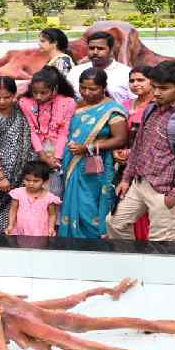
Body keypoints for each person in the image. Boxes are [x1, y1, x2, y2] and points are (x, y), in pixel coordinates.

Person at [108, 60, 175, 242]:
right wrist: (127, 178)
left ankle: (152, 270)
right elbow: (138, 146)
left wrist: (174, 196)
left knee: (160, 244)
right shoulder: (151, 109)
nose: (157, 93)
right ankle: (133, 265)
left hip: (166, 191)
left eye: (164, 88)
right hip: (140, 182)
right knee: (115, 223)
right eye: (155, 87)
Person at [59, 68, 128, 239]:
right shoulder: (77, 105)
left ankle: (94, 244)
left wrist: (88, 147)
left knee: (90, 205)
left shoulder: (112, 109)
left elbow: (120, 139)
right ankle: (72, 243)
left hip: (97, 167)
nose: (86, 93)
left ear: (103, 87)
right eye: (83, 88)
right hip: (72, 164)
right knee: (73, 201)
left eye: (93, 89)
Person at [0, 76, 35, 235]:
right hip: (2, 174)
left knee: (24, 211)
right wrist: (0, 176)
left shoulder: (19, 108)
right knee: (0, 215)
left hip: (24, 173)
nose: (2, 101)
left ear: (14, 95)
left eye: (7, 97)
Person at [18, 66, 76, 199]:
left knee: (56, 191)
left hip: (58, 152)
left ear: (54, 89)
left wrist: (57, 157)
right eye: (35, 92)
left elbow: (64, 131)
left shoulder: (68, 102)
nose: (38, 96)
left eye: (43, 92)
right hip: (33, 150)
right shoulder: (24, 102)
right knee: (32, 188)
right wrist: (42, 154)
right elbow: (30, 130)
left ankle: (54, 218)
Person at [67, 31, 133, 106]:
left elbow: (135, 101)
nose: (95, 52)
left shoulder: (126, 73)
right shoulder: (75, 71)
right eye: (91, 48)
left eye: (100, 48)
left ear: (111, 50)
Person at [6, 161, 61, 237]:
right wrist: (10, 225)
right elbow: (13, 210)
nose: (31, 183)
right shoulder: (18, 193)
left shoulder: (49, 198)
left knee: (39, 248)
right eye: (27, 180)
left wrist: (51, 228)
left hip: (41, 233)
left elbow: (52, 215)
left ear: (45, 181)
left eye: (36, 181)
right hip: (21, 232)